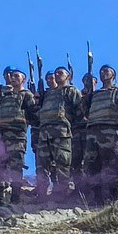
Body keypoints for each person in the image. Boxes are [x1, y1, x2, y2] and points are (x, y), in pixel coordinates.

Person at [84, 65, 118, 203]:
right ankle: (97, 197)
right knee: (92, 164)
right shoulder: (94, 94)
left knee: (110, 164)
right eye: (101, 71)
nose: (103, 73)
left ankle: (113, 196)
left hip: (109, 132)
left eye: (107, 71)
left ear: (113, 74)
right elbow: (84, 111)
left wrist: (116, 120)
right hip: (92, 131)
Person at [0, 68, 38, 207]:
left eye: (17, 76)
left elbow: (34, 114)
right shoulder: (5, 96)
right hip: (1, 135)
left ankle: (15, 197)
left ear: (24, 79)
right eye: (12, 76)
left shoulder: (26, 95)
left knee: (16, 166)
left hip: (17, 136)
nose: (13, 78)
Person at [34, 66, 83, 200]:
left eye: (60, 73)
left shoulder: (71, 91)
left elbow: (80, 110)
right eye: (55, 73)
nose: (57, 75)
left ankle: (63, 194)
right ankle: (42, 194)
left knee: (62, 164)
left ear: (68, 76)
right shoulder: (48, 94)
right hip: (44, 134)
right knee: (41, 165)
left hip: (61, 133)